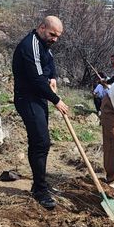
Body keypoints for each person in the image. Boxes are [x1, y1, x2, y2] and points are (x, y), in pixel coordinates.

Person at [12, 16, 69, 209]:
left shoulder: (44, 45)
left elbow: (49, 62)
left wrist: (52, 77)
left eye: (57, 36)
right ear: (42, 27)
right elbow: (37, 79)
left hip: (38, 97)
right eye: (52, 34)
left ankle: (39, 184)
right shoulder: (30, 46)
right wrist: (56, 100)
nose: (54, 39)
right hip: (27, 98)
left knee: (41, 142)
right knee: (40, 142)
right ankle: (40, 190)